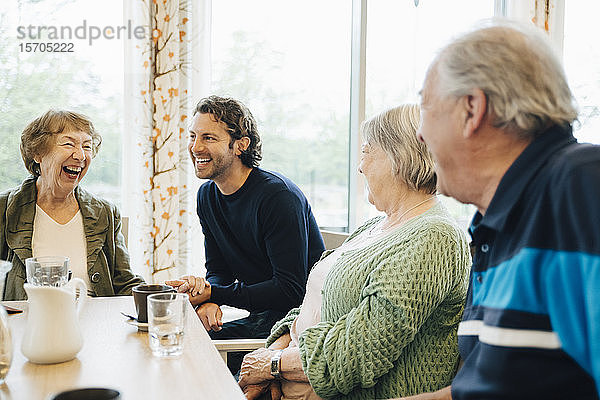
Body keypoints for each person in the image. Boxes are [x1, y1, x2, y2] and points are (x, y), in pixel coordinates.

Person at [411, 21, 600, 400]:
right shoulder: (497, 224)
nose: (419, 132)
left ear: (471, 109)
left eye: (426, 107)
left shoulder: (580, 187)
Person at [237, 104, 471, 400]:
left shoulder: (435, 237)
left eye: (366, 151)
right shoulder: (374, 226)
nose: (360, 166)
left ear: (397, 158)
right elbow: (313, 306)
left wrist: (272, 365)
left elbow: (360, 349)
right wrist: (272, 356)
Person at [167, 96, 325, 344]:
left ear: (240, 145)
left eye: (208, 138)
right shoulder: (207, 196)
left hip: (299, 323)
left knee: (188, 347)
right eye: (192, 136)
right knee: (176, 337)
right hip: (261, 318)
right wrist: (211, 299)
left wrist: (216, 293)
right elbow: (219, 270)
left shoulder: (278, 197)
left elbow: (290, 290)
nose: (195, 147)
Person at [0, 110, 144, 300]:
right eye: (69, 144)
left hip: (94, 323)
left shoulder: (105, 213)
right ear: (38, 153)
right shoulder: (5, 209)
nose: (81, 155)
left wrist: (163, 296)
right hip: (29, 323)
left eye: (87, 146)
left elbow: (124, 283)